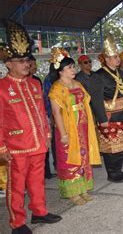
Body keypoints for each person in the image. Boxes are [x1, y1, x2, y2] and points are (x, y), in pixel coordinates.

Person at [0, 19, 62, 234]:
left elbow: (42, 113)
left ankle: (39, 211)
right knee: (16, 187)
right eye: (20, 61)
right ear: (8, 63)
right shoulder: (1, 88)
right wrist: (1, 148)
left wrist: (47, 133)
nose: (26, 64)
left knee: (37, 181)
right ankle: (17, 223)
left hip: (38, 144)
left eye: (27, 60)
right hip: (16, 146)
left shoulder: (35, 83)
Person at [48, 48, 101, 205]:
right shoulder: (56, 88)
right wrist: (63, 134)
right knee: (69, 159)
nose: (73, 70)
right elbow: (56, 113)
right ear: (60, 71)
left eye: (73, 67)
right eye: (70, 67)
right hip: (68, 129)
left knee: (83, 157)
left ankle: (83, 188)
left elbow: (85, 101)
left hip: (82, 127)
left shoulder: (77, 83)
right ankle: (73, 193)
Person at [90, 36, 123, 183]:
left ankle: (119, 170)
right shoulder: (99, 75)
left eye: (117, 56)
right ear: (106, 59)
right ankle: (112, 173)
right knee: (111, 147)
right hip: (109, 116)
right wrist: (102, 119)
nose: (117, 59)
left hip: (122, 114)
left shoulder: (121, 73)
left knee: (121, 145)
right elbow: (96, 100)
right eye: (114, 57)